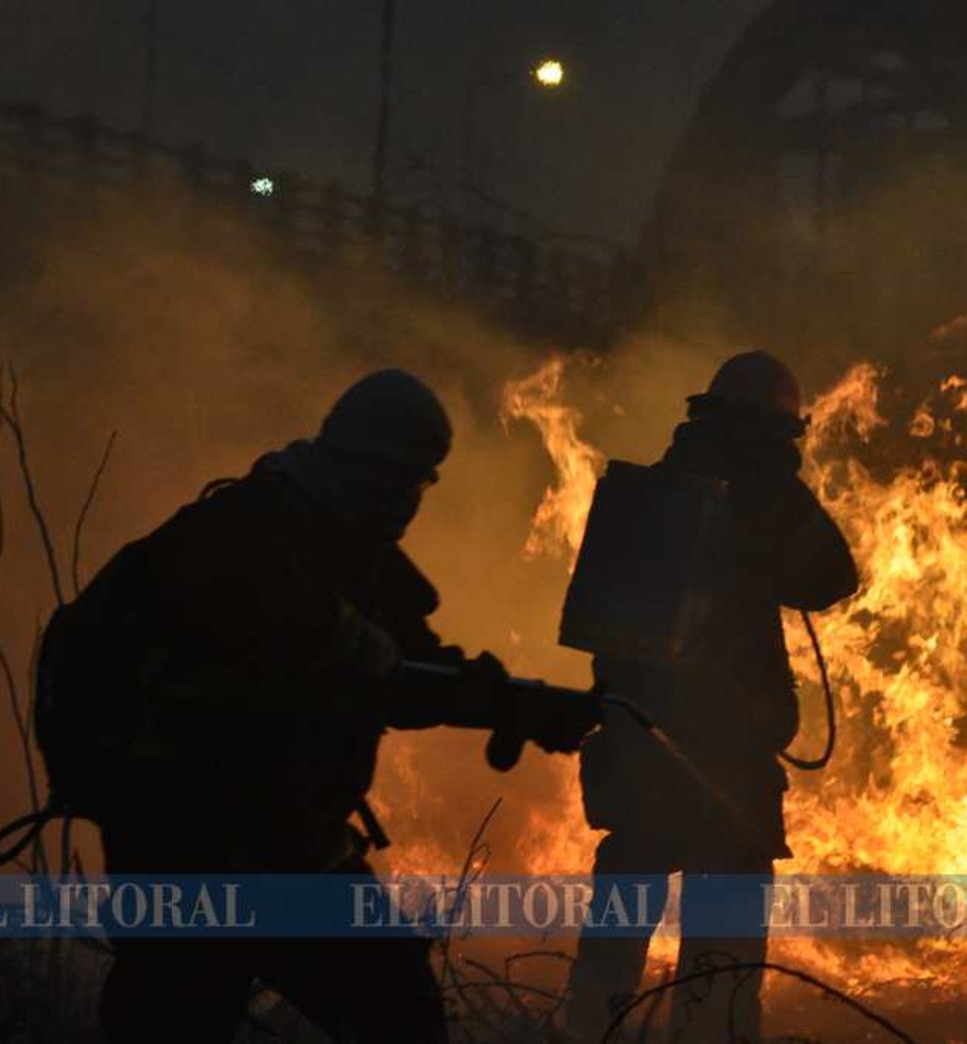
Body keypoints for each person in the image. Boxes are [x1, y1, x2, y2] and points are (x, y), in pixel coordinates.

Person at [82, 369, 588, 1043]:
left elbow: (408, 674)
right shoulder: (238, 537)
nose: (408, 500)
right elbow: (322, 656)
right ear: (357, 466)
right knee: (175, 1017)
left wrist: (516, 706)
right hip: (192, 851)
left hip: (292, 847)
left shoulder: (355, 553)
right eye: (402, 479)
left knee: (397, 1013)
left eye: (420, 483)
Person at [562, 351, 859, 1043]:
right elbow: (831, 578)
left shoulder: (654, 492)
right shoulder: (757, 498)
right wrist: (781, 486)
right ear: (771, 431)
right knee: (717, 976)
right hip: (724, 771)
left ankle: (583, 1035)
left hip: (635, 755)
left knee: (608, 957)